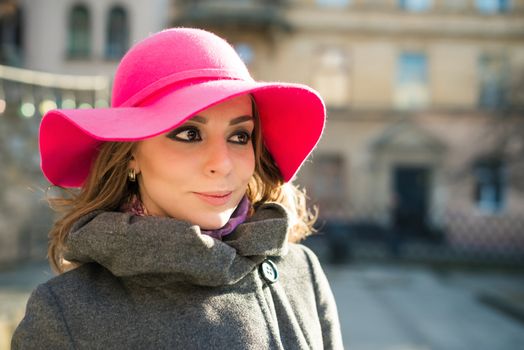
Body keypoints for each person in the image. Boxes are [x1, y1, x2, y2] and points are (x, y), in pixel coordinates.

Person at [11, 27, 343, 349]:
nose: (222, 163)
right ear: (131, 156)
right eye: (188, 134)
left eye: (239, 136)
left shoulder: (302, 272)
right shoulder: (67, 315)